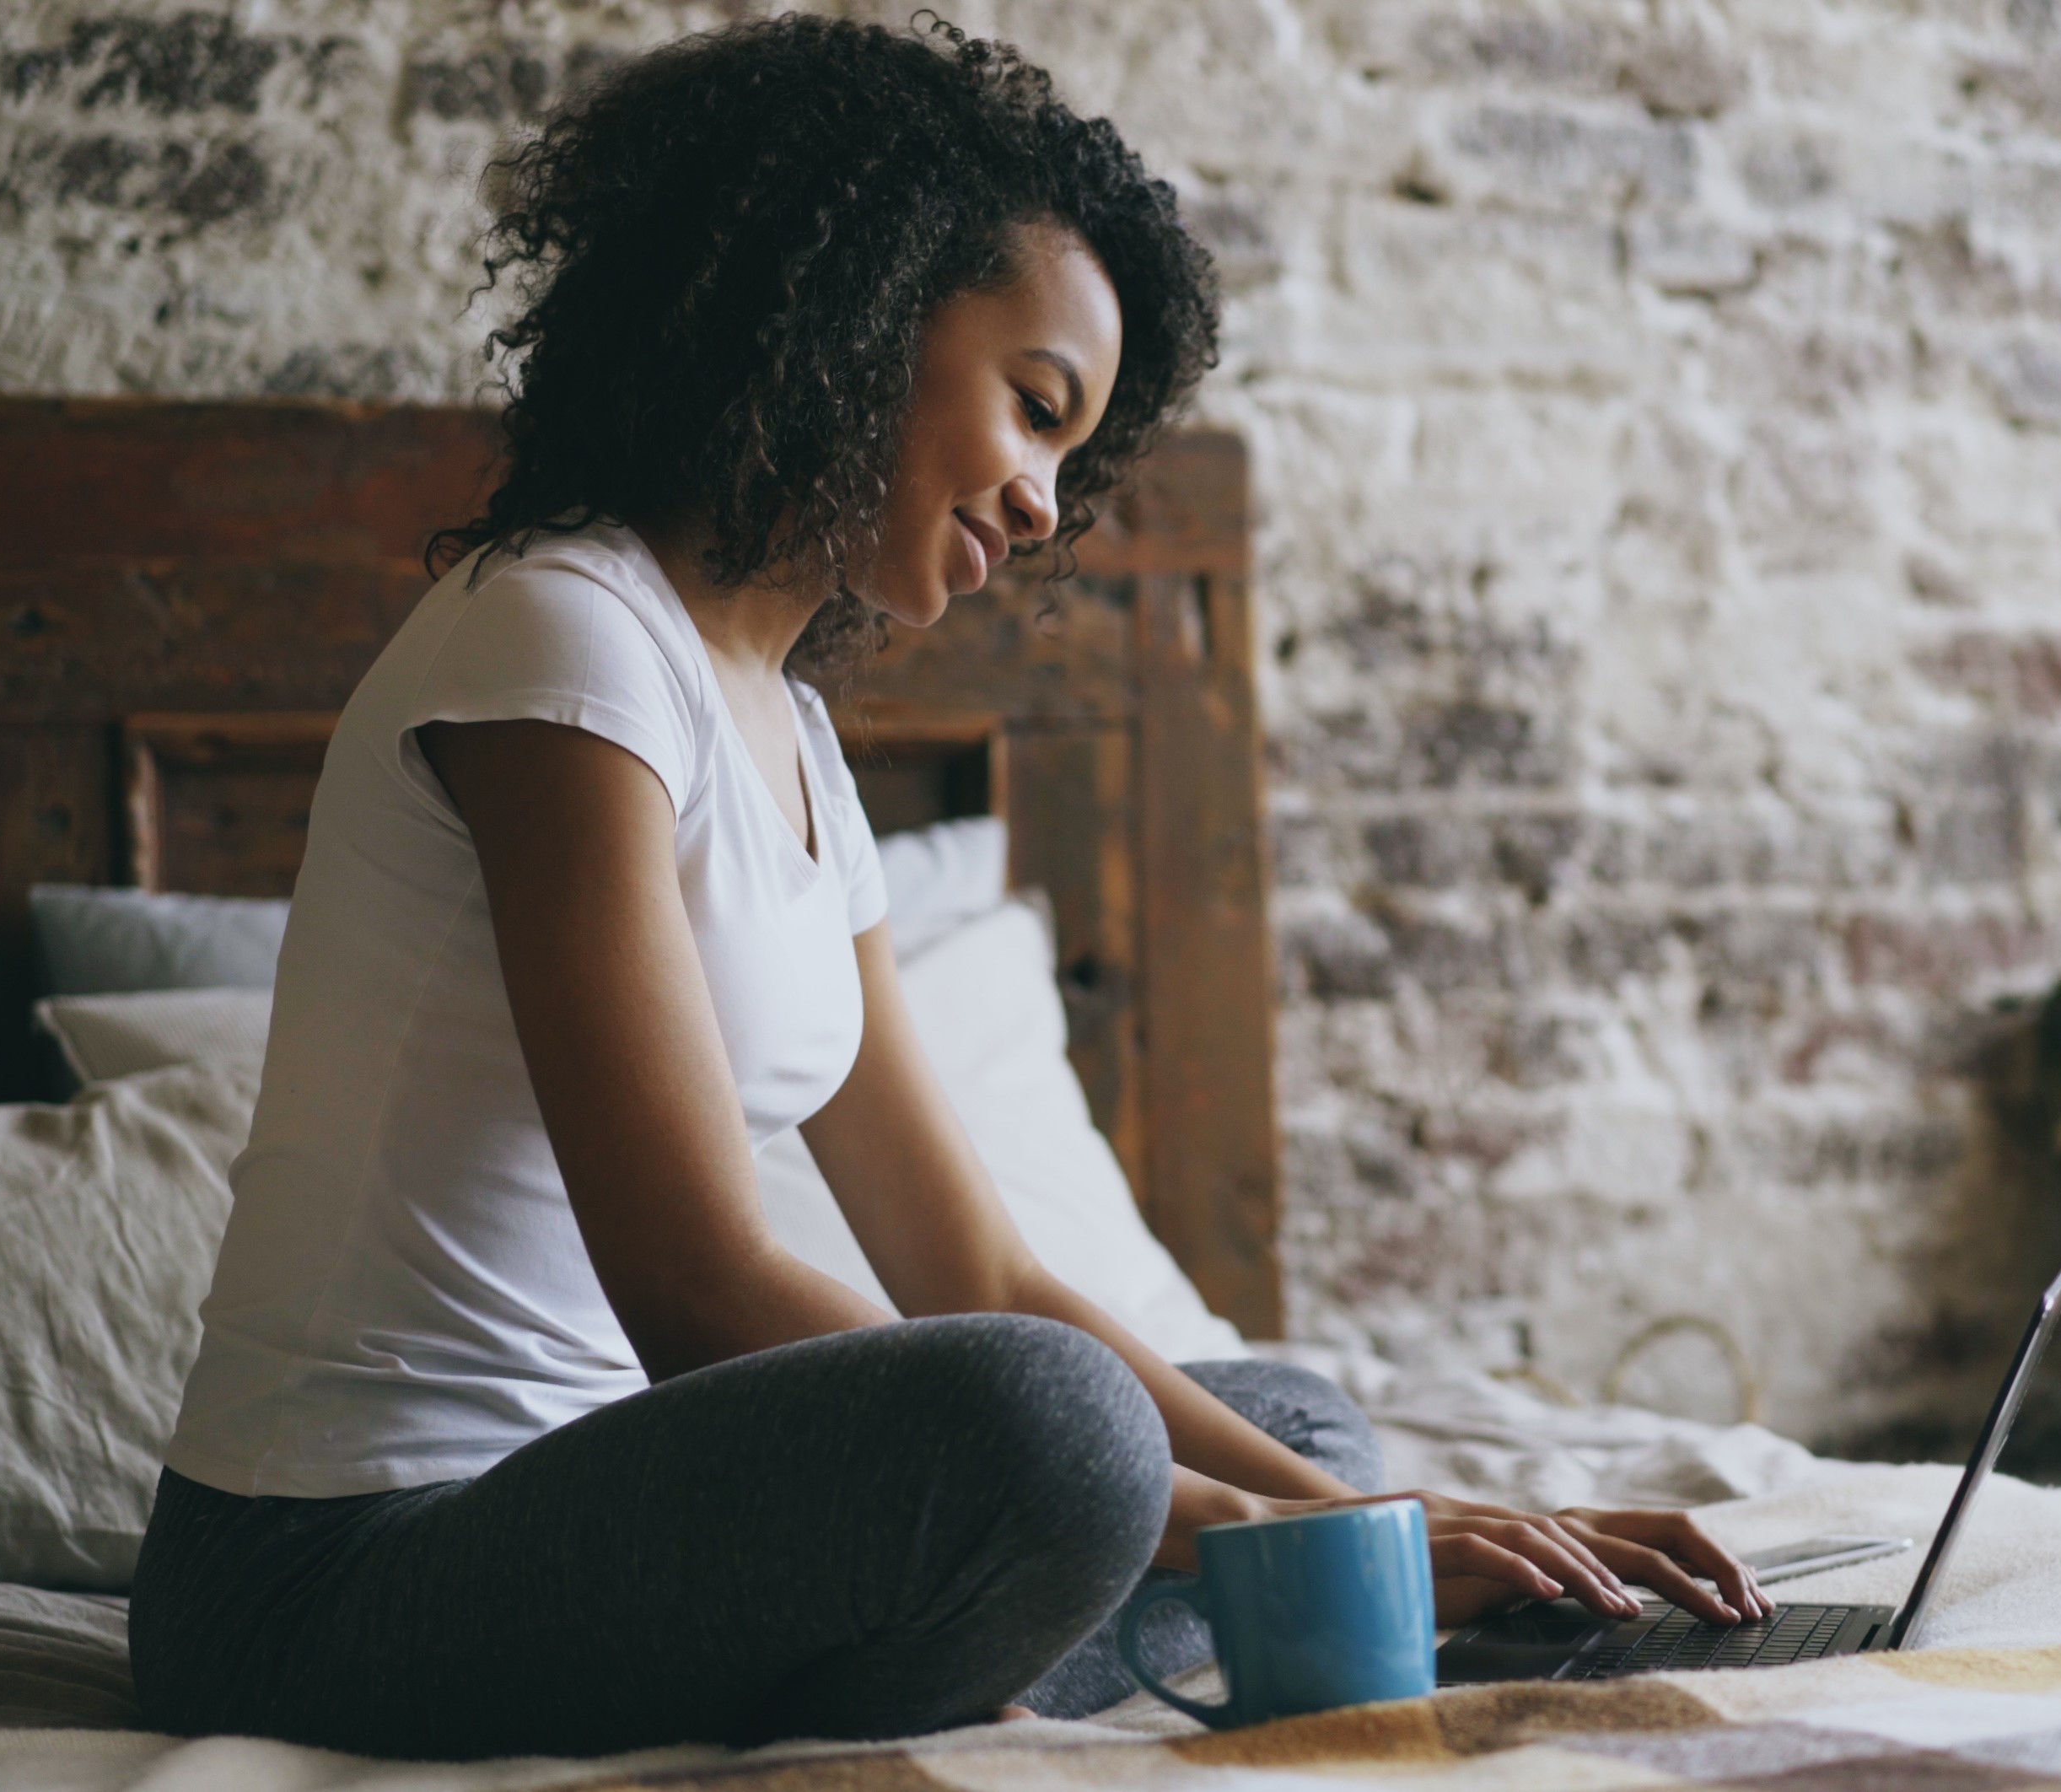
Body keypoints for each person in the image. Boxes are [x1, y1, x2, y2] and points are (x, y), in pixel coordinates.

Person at [128, 16, 1768, 1760]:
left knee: (1281, 1413)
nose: (1051, 504)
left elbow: (967, 1252)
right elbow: (696, 1290)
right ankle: (989, 1642)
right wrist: (1276, 1534)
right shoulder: (560, 635)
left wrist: (1371, 1522)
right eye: (1035, 409)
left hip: (613, 1534)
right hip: (333, 1578)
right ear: (854, 317)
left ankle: (967, 1649)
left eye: (1080, 452)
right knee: (1060, 1431)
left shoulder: (792, 734)